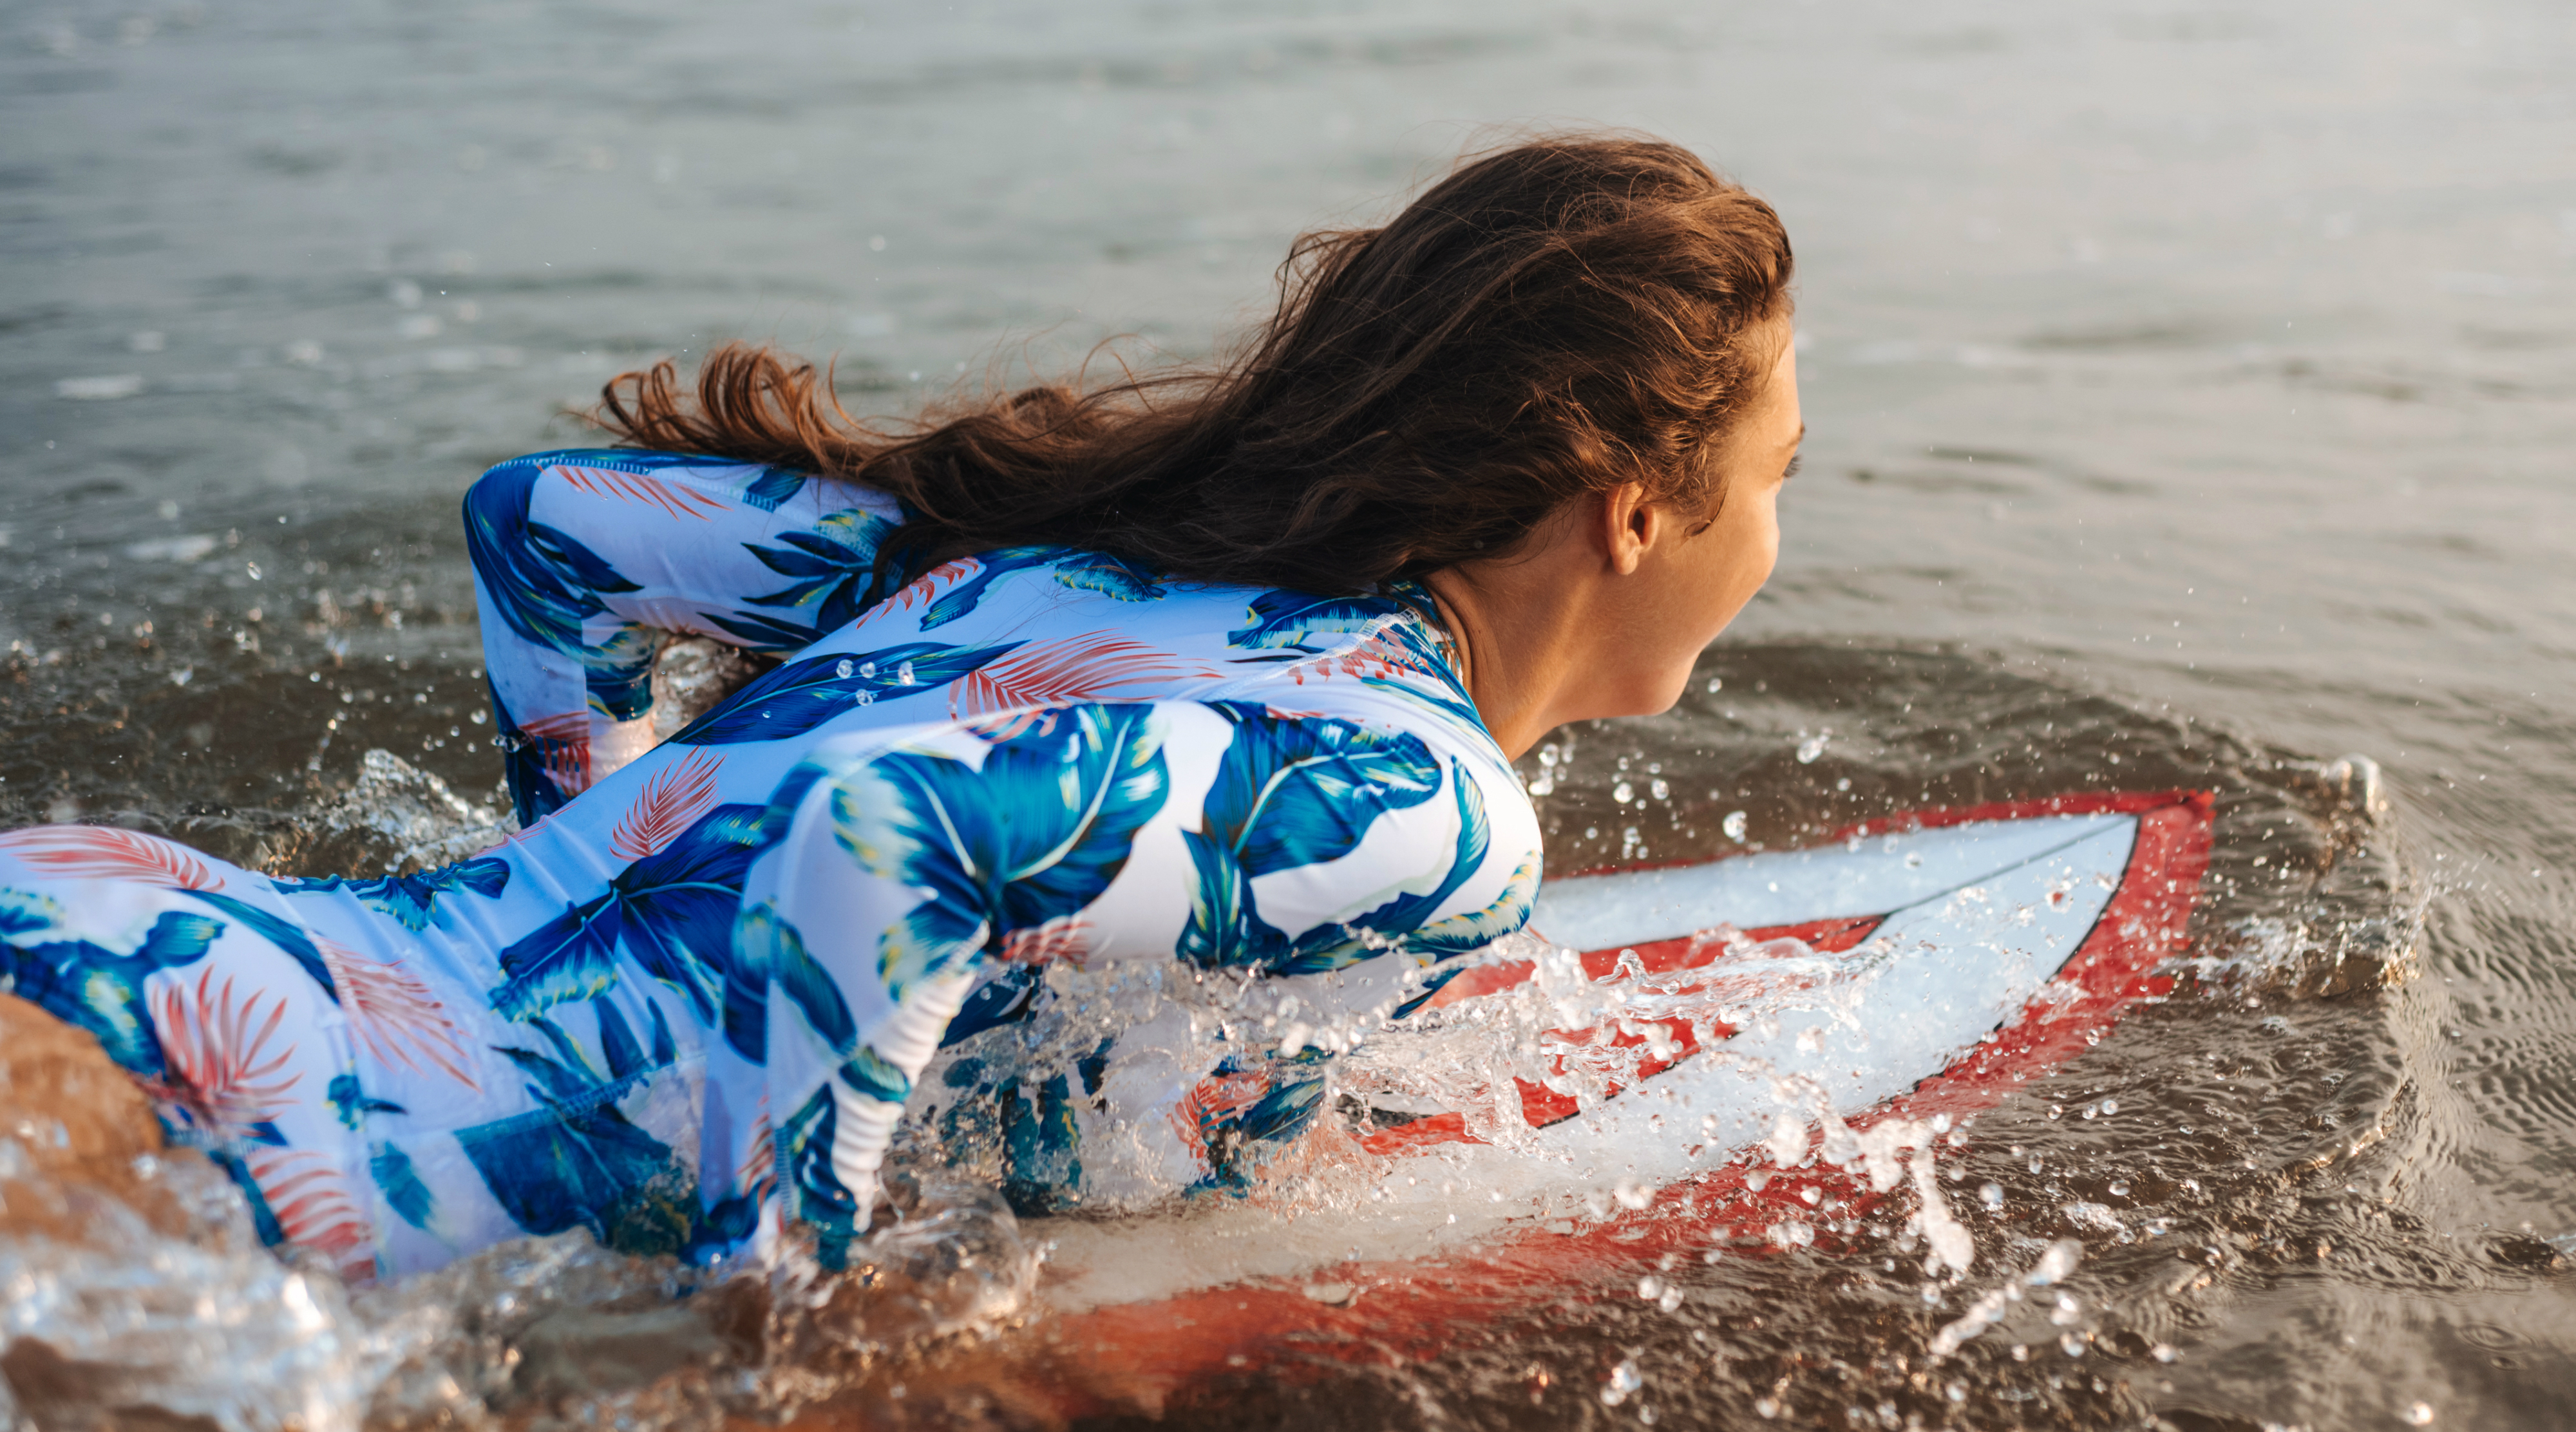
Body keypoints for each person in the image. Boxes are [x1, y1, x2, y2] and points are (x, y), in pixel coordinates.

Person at [0, 135, 1801, 1281]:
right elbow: (887, 843)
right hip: (246, 1134)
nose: (1780, 539)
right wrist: (777, 1322)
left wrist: (579, 882)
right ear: (1632, 510)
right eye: (1779, 473)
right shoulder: (1428, 800)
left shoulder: (1094, 549)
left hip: (144, 929)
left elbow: (544, 529)